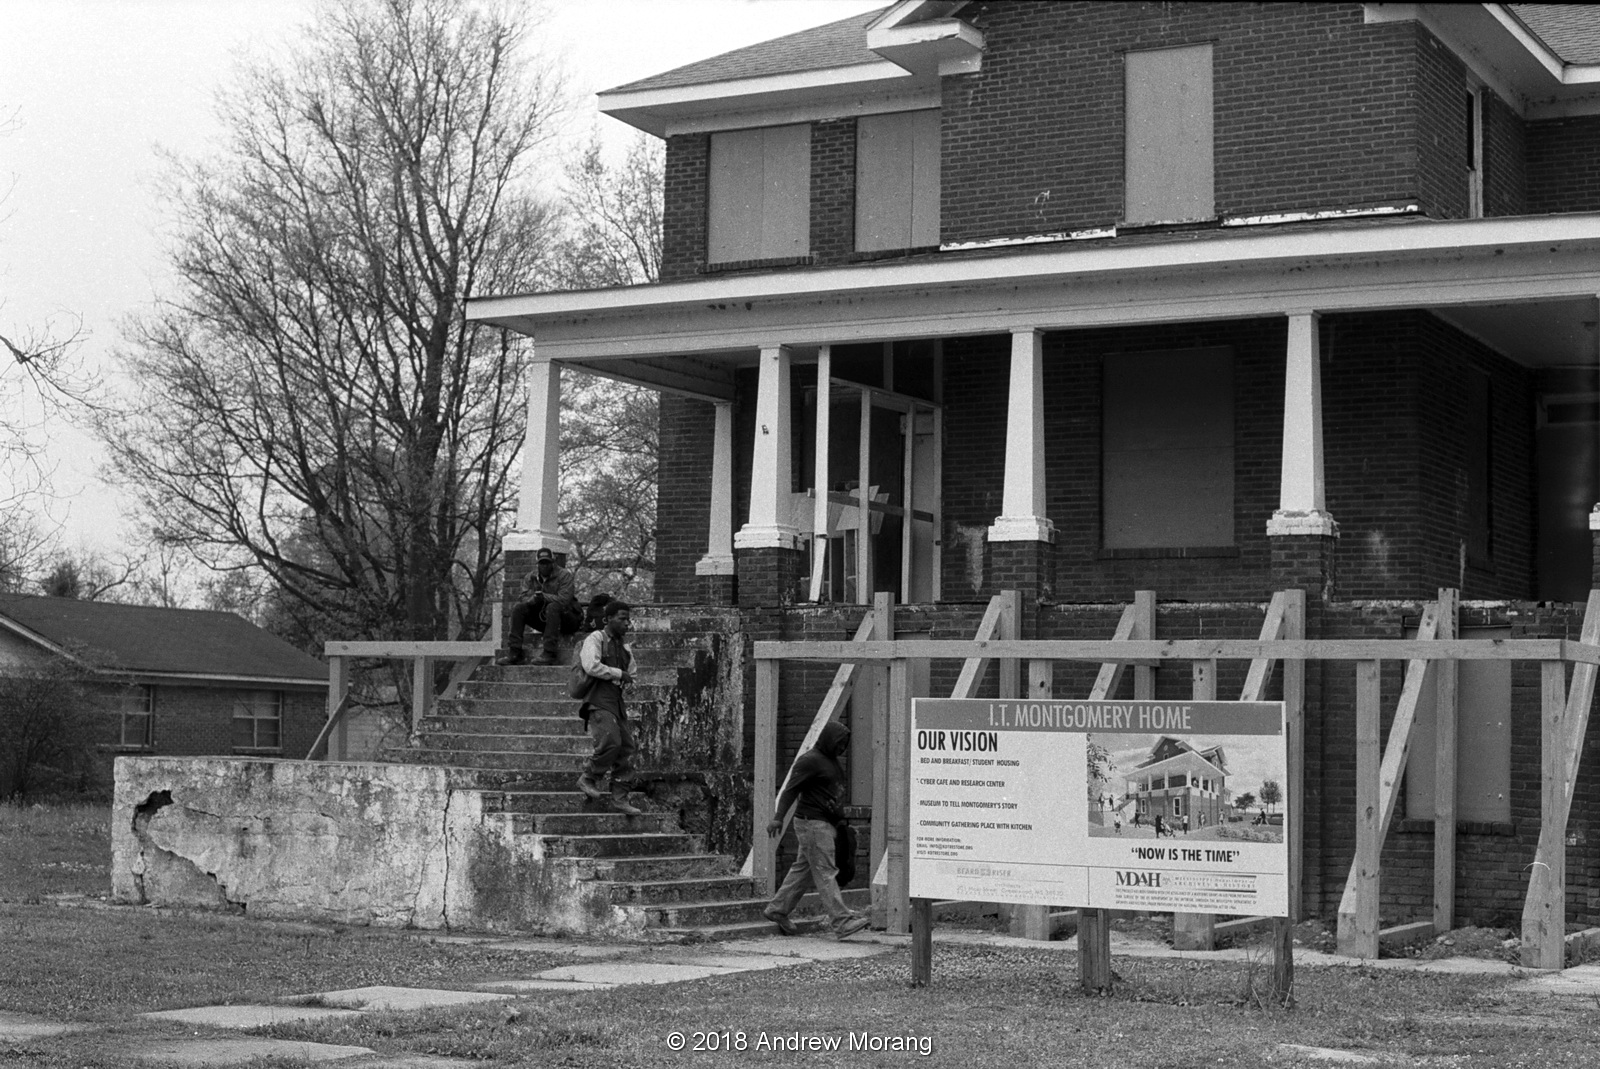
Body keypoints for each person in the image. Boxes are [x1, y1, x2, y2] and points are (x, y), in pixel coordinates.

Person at [762, 722, 870, 940]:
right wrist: (777, 818)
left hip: (824, 823)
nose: (842, 748)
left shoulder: (830, 761)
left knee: (804, 870)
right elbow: (790, 790)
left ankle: (777, 909)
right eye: (839, 743)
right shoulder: (809, 761)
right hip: (812, 823)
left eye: (844, 745)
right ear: (829, 739)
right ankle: (841, 922)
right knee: (826, 871)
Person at [576, 599, 641, 816]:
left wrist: (629, 683)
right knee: (611, 741)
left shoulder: (624, 647)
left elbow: (631, 673)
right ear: (608, 619)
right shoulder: (596, 638)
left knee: (628, 749)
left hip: (616, 700)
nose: (626, 623)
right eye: (622, 619)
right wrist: (618, 674)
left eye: (628, 619)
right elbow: (590, 665)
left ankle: (620, 797)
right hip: (598, 699)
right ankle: (588, 777)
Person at [498, 548, 580, 666]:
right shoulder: (531, 577)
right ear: (538, 564)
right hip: (546, 620)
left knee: (553, 607)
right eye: (542, 563)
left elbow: (564, 600)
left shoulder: (564, 575)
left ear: (553, 562)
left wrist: (543, 596)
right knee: (519, 608)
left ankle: (549, 653)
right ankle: (515, 652)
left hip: (568, 619)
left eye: (547, 563)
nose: (544, 566)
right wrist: (533, 600)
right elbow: (522, 597)